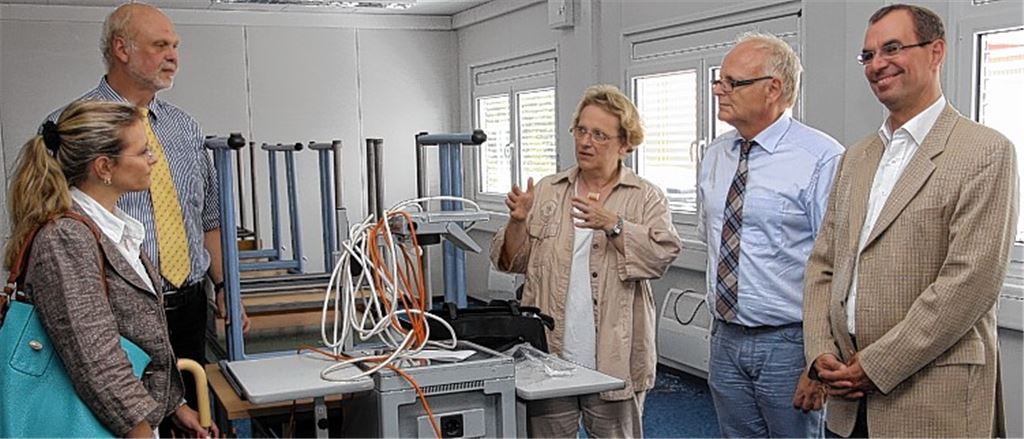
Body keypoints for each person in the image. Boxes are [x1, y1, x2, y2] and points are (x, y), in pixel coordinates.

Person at [803, 4, 1017, 437]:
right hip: (847, 400)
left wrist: (878, 364)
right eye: (868, 55)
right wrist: (820, 352)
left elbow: (970, 283)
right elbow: (823, 265)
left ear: (936, 52)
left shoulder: (985, 152)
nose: (877, 64)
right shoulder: (856, 158)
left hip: (931, 401)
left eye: (893, 48)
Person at [46, 2, 250, 425]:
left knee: (191, 414)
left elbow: (207, 215)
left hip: (189, 303)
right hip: (115, 310)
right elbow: (51, 224)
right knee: (119, 409)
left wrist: (225, 287)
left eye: (175, 45)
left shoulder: (184, 128)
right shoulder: (72, 126)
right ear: (122, 49)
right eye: (160, 45)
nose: (173, 55)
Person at [4, 99, 216, 438]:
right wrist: (141, 431)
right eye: (143, 152)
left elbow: (135, 334)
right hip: (104, 425)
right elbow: (96, 357)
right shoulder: (65, 239)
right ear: (104, 167)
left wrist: (173, 406)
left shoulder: (112, 229)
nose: (153, 159)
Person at [491, 84, 682, 438]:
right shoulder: (549, 189)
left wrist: (613, 224)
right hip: (550, 353)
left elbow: (661, 257)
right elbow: (510, 261)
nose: (586, 142)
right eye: (581, 130)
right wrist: (518, 221)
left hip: (614, 356)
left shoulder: (646, 197)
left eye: (599, 134)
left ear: (625, 144)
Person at [697, 32, 841, 438]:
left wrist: (819, 358)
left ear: (773, 88)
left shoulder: (821, 158)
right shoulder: (715, 155)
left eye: (732, 83)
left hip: (790, 343)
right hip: (725, 337)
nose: (718, 91)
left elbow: (836, 266)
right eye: (718, 81)